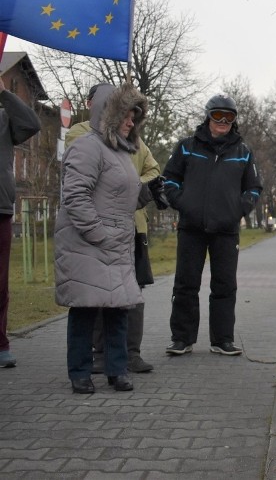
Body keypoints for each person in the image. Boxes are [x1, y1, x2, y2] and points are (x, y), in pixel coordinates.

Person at [55, 83, 162, 394]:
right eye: (127, 116)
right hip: (87, 242)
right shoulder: (87, 147)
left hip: (116, 243)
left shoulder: (121, 153)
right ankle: (79, 372)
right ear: (109, 113)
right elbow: (75, 196)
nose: (131, 122)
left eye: (134, 117)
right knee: (85, 309)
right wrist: (98, 234)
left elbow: (121, 199)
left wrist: (147, 194)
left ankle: (117, 370)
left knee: (118, 308)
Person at [162, 95, 262, 357]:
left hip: (226, 230)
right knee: (186, 284)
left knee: (225, 285)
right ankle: (182, 339)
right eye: (218, 116)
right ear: (208, 117)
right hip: (191, 228)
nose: (224, 122)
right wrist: (183, 203)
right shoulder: (186, 147)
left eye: (229, 117)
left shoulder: (243, 151)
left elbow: (253, 187)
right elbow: (169, 179)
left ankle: (222, 340)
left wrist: (238, 210)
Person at [0, 76, 41, 369]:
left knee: (0, 283)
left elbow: (31, 124)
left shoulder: (5, 118)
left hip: (0, 208)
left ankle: (0, 344)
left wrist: (5, 93)